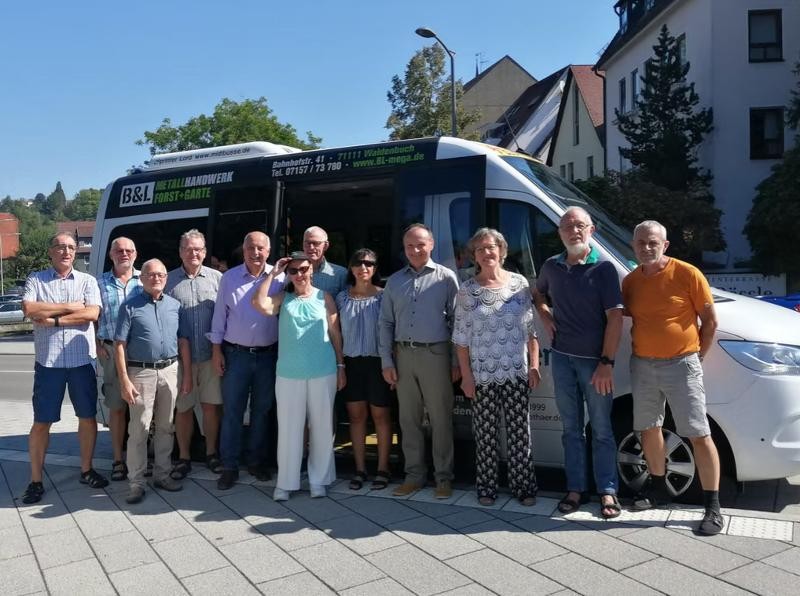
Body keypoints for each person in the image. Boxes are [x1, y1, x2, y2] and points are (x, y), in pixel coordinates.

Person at [622, 220, 723, 535]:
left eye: (653, 242)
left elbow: (710, 321)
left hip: (682, 363)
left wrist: (697, 357)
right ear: (634, 246)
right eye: (641, 243)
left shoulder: (687, 274)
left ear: (665, 245)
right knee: (649, 428)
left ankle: (712, 506)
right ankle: (657, 489)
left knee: (697, 432)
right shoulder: (631, 282)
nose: (647, 248)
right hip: (643, 365)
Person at [533, 207, 623, 519]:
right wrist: (545, 314)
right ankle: (575, 489)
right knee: (571, 429)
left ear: (591, 230)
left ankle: (608, 491)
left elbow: (615, 319)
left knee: (601, 430)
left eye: (580, 226)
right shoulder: (552, 266)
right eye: (568, 226)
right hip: (561, 359)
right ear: (559, 233)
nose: (574, 231)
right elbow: (537, 293)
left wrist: (607, 362)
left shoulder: (605, 270)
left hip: (595, 364)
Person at [453, 228, 540, 506]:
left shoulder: (519, 284)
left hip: (516, 371)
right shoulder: (467, 291)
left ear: (502, 251)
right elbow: (461, 340)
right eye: (480, 249)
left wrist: (534, 365)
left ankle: (523, 487)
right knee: (486, 435)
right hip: (482, 375)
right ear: (474, 256)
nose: (486, 253)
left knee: (519, 433)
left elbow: (531, 331)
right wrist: (466, 377)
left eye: (491, 247)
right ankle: (487, 487)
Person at [20, 232, 108, 504]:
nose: (67, 251)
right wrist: (70, 307)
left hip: (82, 361)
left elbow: (92, 314)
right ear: (51, 252)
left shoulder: (88, 281)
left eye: (71, 247)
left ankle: (86, 469)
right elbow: (29, 308)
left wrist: (55, 319)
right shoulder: (36, 279)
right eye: (60, 247)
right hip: (49, 364)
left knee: (87, 417)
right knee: (41, 422)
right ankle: (35, 480)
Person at [252, 251, 346, 501]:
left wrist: (341, 366)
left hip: (323, 370)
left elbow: (335, 333)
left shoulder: (324, 298)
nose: (299, 274)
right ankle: (286, 482)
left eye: (303, 269)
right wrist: (273, 273)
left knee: (322, 427)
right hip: (289, 373)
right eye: (293, 271)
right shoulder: (283, 297)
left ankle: (319, 480)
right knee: (289, 429)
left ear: (312, 269)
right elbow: (259, 304)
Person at [379, 223, 460, 499]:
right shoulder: (394, 281)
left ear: (432, 244)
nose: (415, 250)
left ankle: (443, 478)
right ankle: (414, 475)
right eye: (409, 246)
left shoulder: (446, 278)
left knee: (440, 419)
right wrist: (386, 361)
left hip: (435, 355)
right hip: (403, 356)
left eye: (420, 244)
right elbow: (385, 323)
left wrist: (456, 362)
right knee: (408, 419)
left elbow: (456, 323)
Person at [209, 231, 284, 490]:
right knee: (232, 412)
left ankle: (255, 462)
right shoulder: (229, 278)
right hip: (236, 355)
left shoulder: (281, 276)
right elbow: (219, 318)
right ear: (243, 250)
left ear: (268, 251)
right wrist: (216, 351)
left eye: (261, 248)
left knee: (262, 412)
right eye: (250, 247)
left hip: (268, 356)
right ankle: (229, 466)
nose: (255, 252)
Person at [114, 259, 191, 504]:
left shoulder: (175, 306)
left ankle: (162, 474)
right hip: (141, 373)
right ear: (142, 278)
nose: (156, 278)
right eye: (151, 274)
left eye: (160, 274)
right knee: (139, 429)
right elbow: (119, 345)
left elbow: (183, 342)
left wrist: (187, 375)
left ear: (166, 278)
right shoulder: (129, 306)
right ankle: (136, 482)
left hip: (170, 370)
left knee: (167, 426)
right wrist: (124, 379)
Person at [165, 230, 223, 479]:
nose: (193, 253)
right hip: (180, 360)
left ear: (205, 252)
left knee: (211, 407)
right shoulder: (167, 281)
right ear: (180, 252)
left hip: (211, 356)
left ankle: (211, 453)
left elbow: (225, 317)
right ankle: (184, 457)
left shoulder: (218, 279)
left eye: (198, 249)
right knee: (184, 408)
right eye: (188, 249)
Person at [335, 249, 393, 491]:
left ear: (375, 268)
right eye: (358, 263)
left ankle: (383, 468)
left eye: (369, 263)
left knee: (381, 416)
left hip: (378, 363)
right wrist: (340, 366)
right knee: (356, 417)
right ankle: (359, 469)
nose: (364, 268)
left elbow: (392, 330)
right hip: (351, 363)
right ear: (351, 267)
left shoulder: (384, 296)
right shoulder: (341, 298)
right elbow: (335, 334)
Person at [95, 237, 143, 482]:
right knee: (116, 407)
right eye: (119, 250)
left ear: (135, 254)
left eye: (128, 250)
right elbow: (91, 315)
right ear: (111, 254)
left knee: (141, 407)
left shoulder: (145, 279)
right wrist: (96, 343)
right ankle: (117, 460)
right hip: (112, 350)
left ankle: (139, 460)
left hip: (141, 350)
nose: (124, 254)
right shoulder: (99, 282)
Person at [302, 226, 348, 297]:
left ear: (326, 246)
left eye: (315, 243)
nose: (311, 247)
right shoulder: (294, 272)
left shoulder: (341, 274)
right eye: (307, 243)